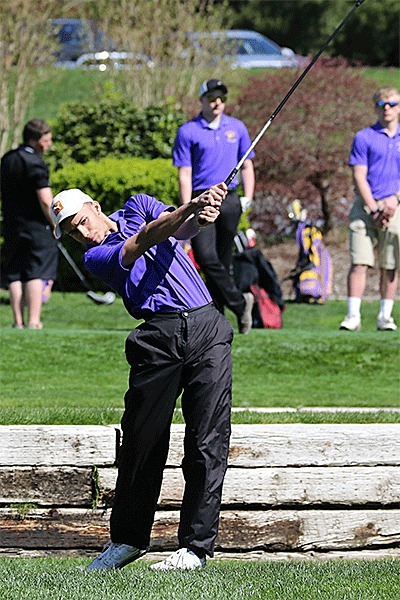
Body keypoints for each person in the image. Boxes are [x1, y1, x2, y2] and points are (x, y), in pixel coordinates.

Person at [50, 183, 233, 571]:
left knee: (207, 440)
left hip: (206, 326)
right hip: (158, 337)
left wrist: (201, 214)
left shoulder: (140, 204)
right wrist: (190, 207)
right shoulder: (97, 257)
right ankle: (128, 541)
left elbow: (182, 230)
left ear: (96, 207)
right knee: (141, 440)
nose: (81, 233)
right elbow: (144, 240)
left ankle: (195, 549)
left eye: (81, 221)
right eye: (71, 232)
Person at [173, 79, 255, 334]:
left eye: (221, 97)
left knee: (223, 259)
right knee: (206, 258)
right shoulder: (188, 131)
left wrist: (247, 197)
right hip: (202, 198)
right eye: (211, 97)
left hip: (230, 199)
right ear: (202, 100)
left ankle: (217, 320)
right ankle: (241, 305)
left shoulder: (237, 127)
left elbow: (248, 165)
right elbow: (185, 172)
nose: (217, 102)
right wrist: (187, 206)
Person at [340, 86, 400, 331]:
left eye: (392, 104)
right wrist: (374, 207)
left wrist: (394, 200)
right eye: (382, 104)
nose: (387, 108)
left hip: (396, 205)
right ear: (375, 107)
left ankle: (385, 316)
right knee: (360, 261)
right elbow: (359, 175)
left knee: (391, 263)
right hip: (366, 206)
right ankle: (353, 316)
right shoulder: (364, 136)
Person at [1, 119, 58, 329]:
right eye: (46, 140)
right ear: (35, 141)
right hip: (36, 226)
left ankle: (18, 322)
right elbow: (45, 199)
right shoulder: (35, 162)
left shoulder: (8, 159)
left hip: (12, 225)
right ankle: (34, 321)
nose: (49, 145)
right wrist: (55, 223)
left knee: (15, 272)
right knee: (36, 271)